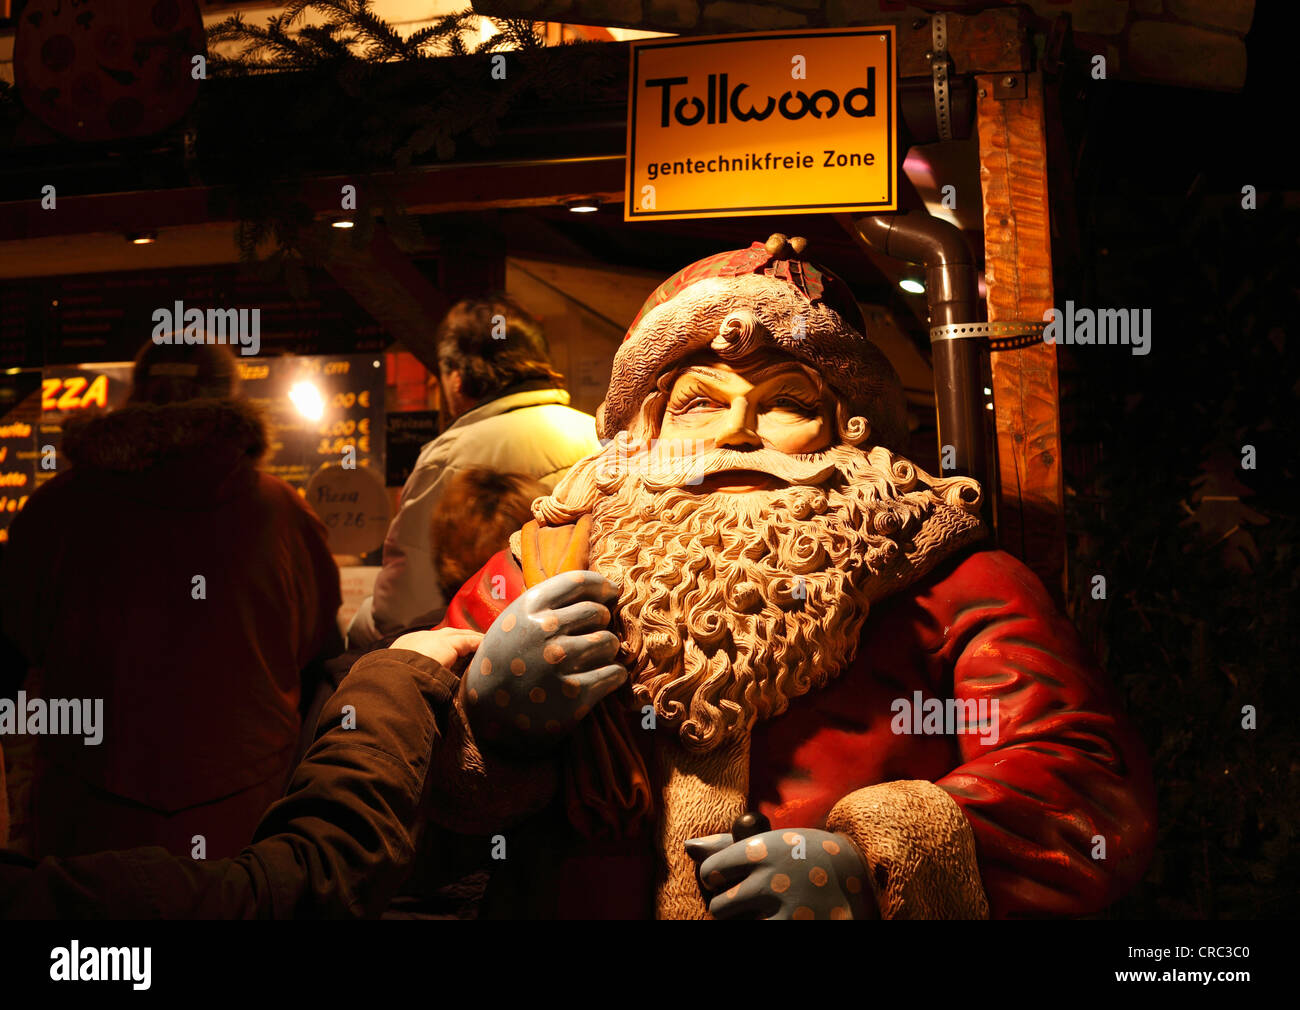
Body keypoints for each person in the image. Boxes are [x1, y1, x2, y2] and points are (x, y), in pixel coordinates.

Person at [407, 234, 1157, 919]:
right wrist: (485, 724)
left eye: (784, 404)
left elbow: (1088, 789)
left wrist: (877, 865)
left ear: (847, 429)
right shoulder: (538, 569)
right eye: (699, 402)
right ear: (646, 430)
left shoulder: (948, 579)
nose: (736, 430)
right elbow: (382, 807)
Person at [0, 339, 342, 860]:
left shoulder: (58, 509)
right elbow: (316, 650)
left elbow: (17, 637)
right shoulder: (282, 514)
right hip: (248, 818)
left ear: (133, 400)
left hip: (90, 822)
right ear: (229, 400)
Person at [1, 627, 483, 918]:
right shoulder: (281, 515)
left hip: (85, 804)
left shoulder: (58, 511)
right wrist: (394, 678)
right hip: (250, 793)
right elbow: (306, 889)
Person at [346, 296, 600, 647]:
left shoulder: (449, 457)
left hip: (481, 662)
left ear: (457, 377)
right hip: (591, 643)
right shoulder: (598, 436)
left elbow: (404, 611)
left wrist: (361, 626)